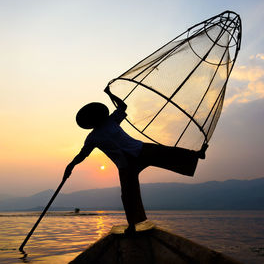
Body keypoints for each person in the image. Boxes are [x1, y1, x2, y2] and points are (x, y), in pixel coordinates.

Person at [64, 87, 208, 234]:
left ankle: (196, 154)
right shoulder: (92, 138)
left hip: (139, 150)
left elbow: (123, 107)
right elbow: (82, 155)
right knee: (128, 193)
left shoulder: (111, 120)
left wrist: (110, 94)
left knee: (165, 152)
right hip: (125, 165)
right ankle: (132, 224)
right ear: (90, 122)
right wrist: (71, 165)